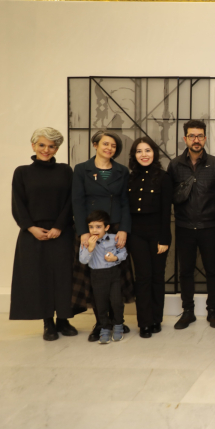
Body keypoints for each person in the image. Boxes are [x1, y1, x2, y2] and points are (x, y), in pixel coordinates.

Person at [11, 128, 77, 341]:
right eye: (42, 145)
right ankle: (48, 322)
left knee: (64, 276)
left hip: (62, 231)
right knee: (39, 278)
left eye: (51, 146)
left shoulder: (65, 170)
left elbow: (71, 200)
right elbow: (18, 203)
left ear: (57, 149)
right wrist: (30, 228)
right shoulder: (22, 172)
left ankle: (64, 320)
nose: (46, 150)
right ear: (33, 146)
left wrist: (59, 226)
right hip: (33, 233)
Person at [72, 130, 132, 342]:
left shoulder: (122, 171)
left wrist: (124, 228)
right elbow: (77, 202)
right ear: (95, 145)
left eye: (113, 146)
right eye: (105, 144)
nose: (109, 148)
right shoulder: (82, 169)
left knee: (116, 276)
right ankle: (100, 323)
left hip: (114, 228)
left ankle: (117, 320)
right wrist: (83, 231)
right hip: (92, 229)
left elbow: (125, 201)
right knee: (95, 279)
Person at [168, 120, 215, 330]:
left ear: (205, 138)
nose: (196, 140)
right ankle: (188, 311)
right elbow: (169, 196)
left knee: (212, 269)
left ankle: (213, 310)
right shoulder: (175, 165)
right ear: (185, 139)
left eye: (200, 136)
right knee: (185, 271)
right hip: (184, 226)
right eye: (192, 136)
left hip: (209, 226)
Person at [126, 137, 172, 339]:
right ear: (134, 155)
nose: (144, 155)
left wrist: (165, 239)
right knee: (143, 277)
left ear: (154, 153)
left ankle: (156, 319)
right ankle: (144, 322)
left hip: (157, 233)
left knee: (157, 277)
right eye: (139, 151)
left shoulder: (164, 177)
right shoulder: (129, 178)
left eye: (147, 150)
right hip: (136, 234)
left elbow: (166, 211)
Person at [78, 210, 128, 344]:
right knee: (101, 304)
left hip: (113, 274)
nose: (94, 230)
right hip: (97, 276)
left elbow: (123, 252)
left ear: (106, 227)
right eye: (91, 227)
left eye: (98, 227)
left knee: (116, 302)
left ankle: (118, 325)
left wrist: (115, 258)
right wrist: (90, 248)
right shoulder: (86, 242)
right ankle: (105, 327)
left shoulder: (114, 238)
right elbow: (83, 260)